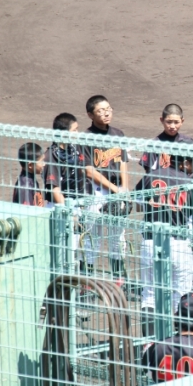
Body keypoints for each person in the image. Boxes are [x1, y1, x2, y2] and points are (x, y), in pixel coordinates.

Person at [135, 155, 193, 337]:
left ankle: (149, 345)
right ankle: (177, 346)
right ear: (184, 163)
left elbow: (138, 206)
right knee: (181, 297)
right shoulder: (191, 183)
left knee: (149, 296)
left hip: (150, 243)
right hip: (179, 245)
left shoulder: (150, 176)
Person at [83, 95, 130, 277]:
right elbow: (89, 171)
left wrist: (124, 190)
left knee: (117, 239)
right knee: (92, 238)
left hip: (117, 191)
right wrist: (116, 189)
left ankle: (119, 280)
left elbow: (123, 162)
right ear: (90, 115)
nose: (106, 113)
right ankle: (86, 281)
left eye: (108, 109)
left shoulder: (118, 134)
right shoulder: (86, 138)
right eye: (100, 111)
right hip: (95, 193)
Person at [42, 113, 94, 271]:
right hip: (60, 208)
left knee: (75, 250)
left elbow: (86, 171)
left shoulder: (75, 150)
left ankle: (73, 281)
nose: (78, 133)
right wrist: (70, 214)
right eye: (74, 130)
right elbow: (55, 189)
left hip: (75, 206)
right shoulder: (51, 156)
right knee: (63, 254)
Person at [138, 103, 193, 179]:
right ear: (162, 120)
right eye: (169, 122)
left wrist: (184, 182)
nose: (172, 126)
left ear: (182, 121)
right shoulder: (153, 145)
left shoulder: (188, 142)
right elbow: (149, 172)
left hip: (185, 184)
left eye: (176, 122)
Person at [12, 142, 45, 207]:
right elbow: (26, 211)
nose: (44, 164)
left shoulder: (30, 179)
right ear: (30, 165)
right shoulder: (25, 186)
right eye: (41, 161)